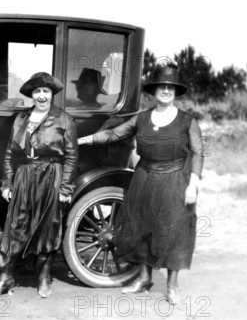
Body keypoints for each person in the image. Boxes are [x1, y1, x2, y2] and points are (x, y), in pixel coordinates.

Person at [77, 65, 204, 305]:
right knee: (140, 227)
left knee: (173, 232)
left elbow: (198, 153)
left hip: (175, 180)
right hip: (144, 177)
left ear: (175, 92)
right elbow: (115, 134)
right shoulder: (142, 118)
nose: (165, 91)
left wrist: (193, 184)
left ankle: (172, 286)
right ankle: (143, 279)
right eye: (161, 87)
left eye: (170, 88)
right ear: (154, 91)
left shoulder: (187, 121)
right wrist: (84, 139)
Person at [0, 72, 78, 298]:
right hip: (24, 175)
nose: (42, 96)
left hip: (51, 176)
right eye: (37, 92)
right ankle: (5, 278)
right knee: (15, 227)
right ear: (32, 95)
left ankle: (44, 276)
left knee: (48, 228)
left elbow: (71, 157)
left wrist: (65, 188)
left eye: (46, 91)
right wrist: (7, 183)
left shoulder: (65, 120)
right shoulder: (21, 119)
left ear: (52, 94)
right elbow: (9, 154)